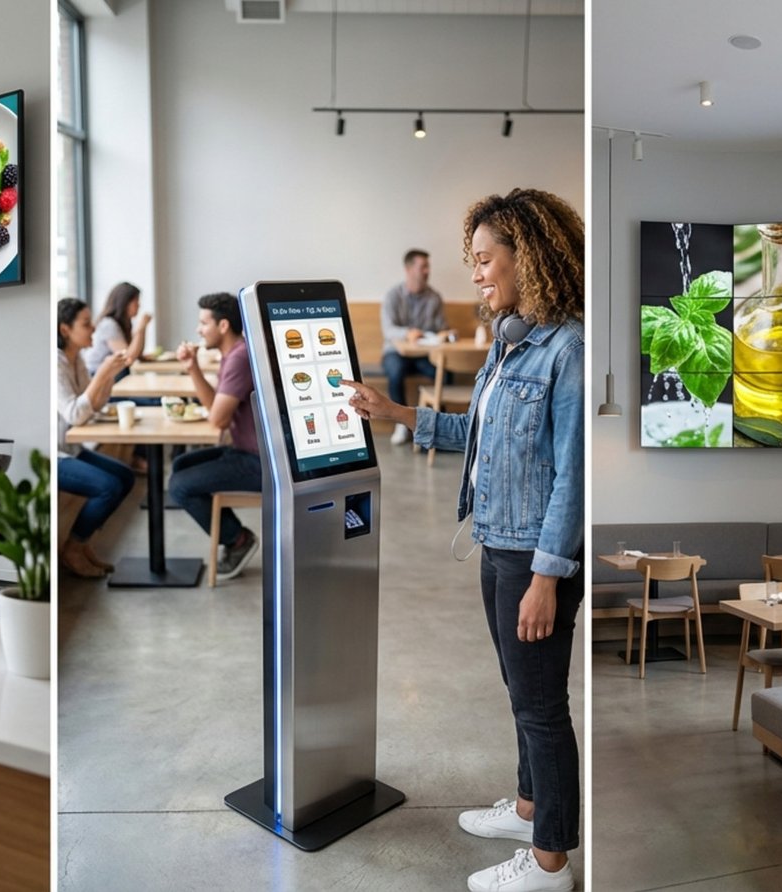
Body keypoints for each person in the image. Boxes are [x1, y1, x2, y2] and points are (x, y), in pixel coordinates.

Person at [345, 189, 583, 892]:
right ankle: (530, 808)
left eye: (485, 260)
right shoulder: (510, 344)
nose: (475, 274)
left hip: (535, 557)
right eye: (472, 261)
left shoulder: (565, 349)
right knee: (521, 691)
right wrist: (395, 412)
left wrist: (546, 576)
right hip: (498, 540)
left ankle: (551, 864)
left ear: (528, 257)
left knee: (541, 707)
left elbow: (571, 477)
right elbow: (474, 437)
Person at [167, 292, 261, 581]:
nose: (198, 330)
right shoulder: (234, 353)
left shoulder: (239, 358)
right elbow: (214, 409)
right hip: (245, 451)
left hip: (261, 462)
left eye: (203, 323)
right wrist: (193, 367)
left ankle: (238, 540)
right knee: (181, 465)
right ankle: (235, 535)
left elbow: (218, 420)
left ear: (222, 326)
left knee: (179, 485)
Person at [57, 298, 136, 578]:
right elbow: (75, 415)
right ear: (65, 329)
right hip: (54, 456)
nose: (93, 328)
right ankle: (73, 549)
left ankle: (81, 543)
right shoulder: (55, 364)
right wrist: (102, 372)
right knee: (109, 486)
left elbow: (97, 405)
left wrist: (107, 376)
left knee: (126, 477)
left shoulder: (75, 357)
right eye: (86, 323)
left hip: (72, 448)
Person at [381, 248, 454, 445]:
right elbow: (388, 330)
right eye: (423, 267)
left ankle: (440, 425)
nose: (427, 271)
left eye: (427, 267)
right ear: (408, 269)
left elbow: (442, 327)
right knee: (395, 372)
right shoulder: (393, 296)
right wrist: (407, 333)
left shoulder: (434, 297)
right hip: (396, 352)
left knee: (446, 373)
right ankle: (401, 424)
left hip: (423, 355)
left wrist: (446, 333)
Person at [82, 281, 153, 378]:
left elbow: (137, 353)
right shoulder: (108, 324)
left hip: (112, 374)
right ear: (124, 303)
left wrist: (143, 328)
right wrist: (140, 328)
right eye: (136, 301)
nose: (139, 305)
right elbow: (128, 358)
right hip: (97, 375)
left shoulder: (123, 323)